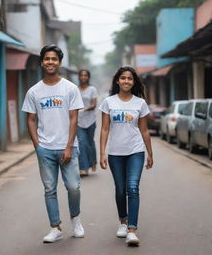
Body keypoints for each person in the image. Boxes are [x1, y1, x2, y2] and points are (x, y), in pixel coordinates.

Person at [22, 44, 85, 243]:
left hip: (68, 147)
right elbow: (31, 120)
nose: (50, 62)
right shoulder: (34, 91)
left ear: (59, 62)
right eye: (47, 59)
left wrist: (68, 146)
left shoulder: (70, 88)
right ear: (42, 62)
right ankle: (55, 227)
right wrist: (37, 146)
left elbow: (74, 119)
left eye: (54, 59)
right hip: (45, 149)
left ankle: (75, 218)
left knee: (74, 187)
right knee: (49, 189)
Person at [99, 66, 153, 246]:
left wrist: (149, 153)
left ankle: (132, 229)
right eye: (123, 78)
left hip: (136, 151)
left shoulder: (140, 103)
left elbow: (144, 130)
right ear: (117, 81)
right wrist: (102, 153)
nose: (126, 81)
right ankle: (123, 220)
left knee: (132, 188)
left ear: (134, 82)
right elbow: (105, 129)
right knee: (120, 189)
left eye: (130, 79)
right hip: (115, 153)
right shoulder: (108, 102)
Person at [77, 70, 98, 177]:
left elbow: (94, 105)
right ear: (79, 77)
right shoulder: (75, 89)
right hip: (79, 122)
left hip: (90, 121)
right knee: (82, 144)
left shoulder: (92, 89)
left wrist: (85, 109)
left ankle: (93, 162)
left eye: (85, 75)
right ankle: (83, 168)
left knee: (90, 143)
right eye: (81, 75)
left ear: (88, 77)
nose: (83, 77)